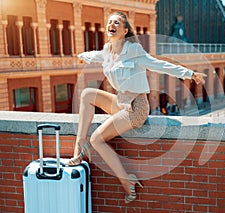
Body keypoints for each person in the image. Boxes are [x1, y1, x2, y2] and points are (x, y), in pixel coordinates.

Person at [67, 11, 206, 204]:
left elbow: (158, 65)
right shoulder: (107, 51)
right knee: (87, 95)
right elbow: (96, 56)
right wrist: (81, 56)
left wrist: (189, 73)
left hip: (136, 107)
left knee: (97, 139)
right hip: (120, 102)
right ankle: (78, 150)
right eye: (109, 22)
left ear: (124, 31)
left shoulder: (134, 50)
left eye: (117, 22)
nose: (111, 24)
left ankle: (126, 180)